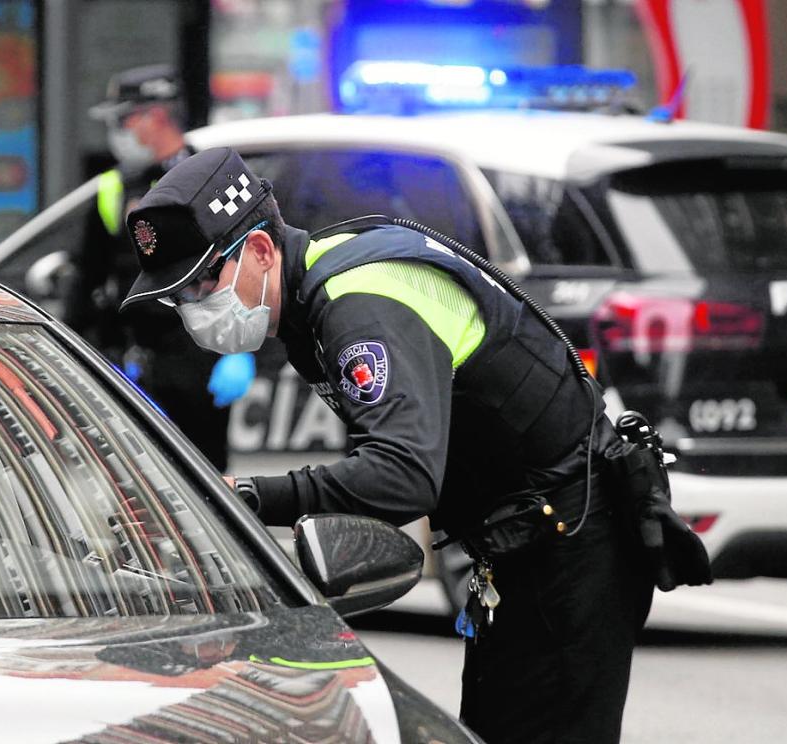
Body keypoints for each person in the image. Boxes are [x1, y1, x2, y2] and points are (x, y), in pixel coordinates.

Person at [118, 147, 710, 743]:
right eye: (179, 298)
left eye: (201, 284)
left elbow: (401, 475)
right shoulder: (317, 287)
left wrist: (245, 497)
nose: (194, 309)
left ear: (262, 250)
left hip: (569, 545)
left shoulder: (358, 303)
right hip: (532, 544)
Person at [63, 65, 253, 470]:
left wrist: (247, 350)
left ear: (157, 115)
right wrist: (81, 350)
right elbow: (88, 276)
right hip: (134, 360)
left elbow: (251, 263)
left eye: (124, 119)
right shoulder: (117, 186)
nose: (117, 132)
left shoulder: (211, 178)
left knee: (203, 480)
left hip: (200, 355)